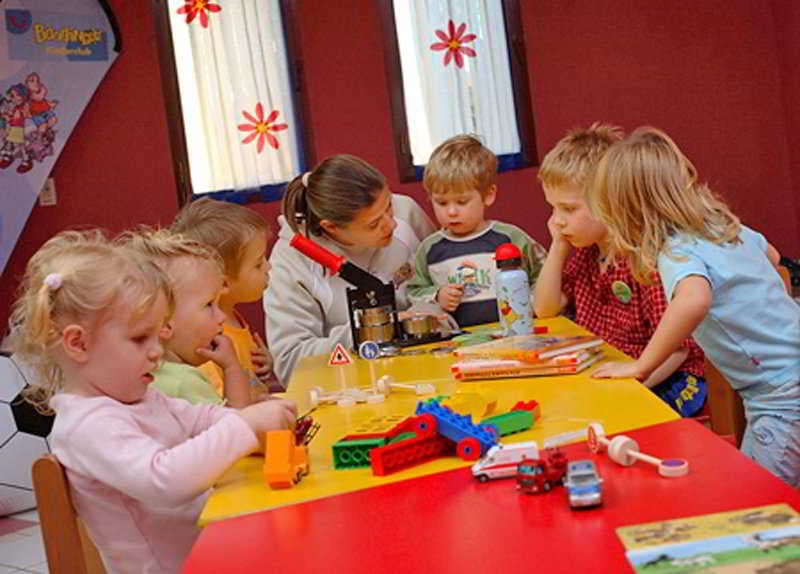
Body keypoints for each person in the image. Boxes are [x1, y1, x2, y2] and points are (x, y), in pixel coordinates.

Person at [7, 230, 296, 573]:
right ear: (78, 344)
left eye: (157, 334)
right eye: (140, 338)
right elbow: (164, 480)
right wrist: (245, 427)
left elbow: (200, 417)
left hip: (210, 554)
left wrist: (256, 420)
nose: (157, 351)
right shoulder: (87, 425)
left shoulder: (138, 397)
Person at [590, 126, 800, 486]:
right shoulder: (725, 228)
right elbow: (774, 258)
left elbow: (694, 300)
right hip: (787, 374)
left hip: (780, 397)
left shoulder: (677, 251)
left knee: (761, 500)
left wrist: (642, 365)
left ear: (629, 215)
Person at [534, 124, 706, 416]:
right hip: (612, 370)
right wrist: (558, 246)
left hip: (668, 377)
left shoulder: (645, 260)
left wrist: (631, 385)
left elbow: (679, 350)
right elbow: (545, 308)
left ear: (608, 201)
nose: (557, 220)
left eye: (568, 209)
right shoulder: (587, 254)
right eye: (553, 208)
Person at [265, 154, 435, 386]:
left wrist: (430, 312)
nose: (392, 223)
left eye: (389, 207)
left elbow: (441, 273)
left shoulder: (405, 210)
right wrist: (365, 332)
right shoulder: (291, 260)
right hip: (355, 387)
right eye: (374, 224)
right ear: (331, 227)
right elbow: (290, 364)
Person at [407, 134, 547, 327]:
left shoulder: (511, 237)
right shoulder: (429, 249)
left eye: (462, 201)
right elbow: (413, 292)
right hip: (460, 340)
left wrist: (527, 303)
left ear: (488, 195)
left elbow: (545, 275)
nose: (451, 211)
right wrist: (437, 296)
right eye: (441, 202)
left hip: (515, 332)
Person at [122, 228, 255, 407]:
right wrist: (232, 369)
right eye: (209, 304)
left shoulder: (129, 378)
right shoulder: (185, 383)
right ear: (165, 323)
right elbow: (238, 422)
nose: (221, 316)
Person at [171, 197, 274, 395]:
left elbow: (249, 379)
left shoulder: (232, 317)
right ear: (224, 283)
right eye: (258, 264)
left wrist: (265, 364)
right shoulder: (210, 339)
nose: (268, 267)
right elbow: (222, 405)